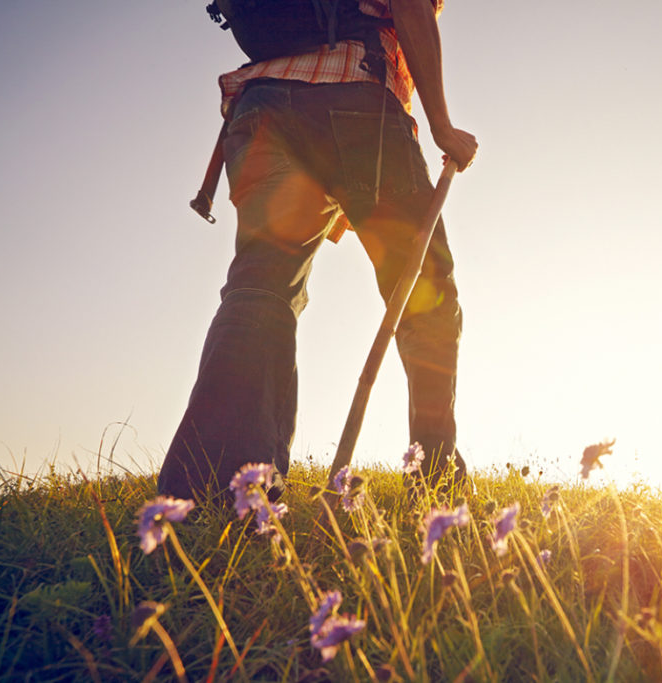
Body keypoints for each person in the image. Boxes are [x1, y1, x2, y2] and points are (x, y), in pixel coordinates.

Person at [157, 0, 477, 504]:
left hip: (260, 108)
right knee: (424, 292)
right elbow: (412, 8)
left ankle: (222, 491)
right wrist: (442, 125)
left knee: (261, 289)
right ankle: (435, 480)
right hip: (355, 96)